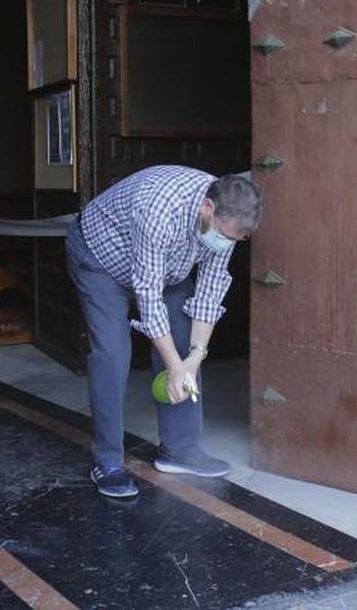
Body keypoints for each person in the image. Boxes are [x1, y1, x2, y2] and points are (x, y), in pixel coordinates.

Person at [65, 165, 262, 498]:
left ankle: (180, 449)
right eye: (224, 236)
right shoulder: (157, 209)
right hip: (100, 257)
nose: (225, 244)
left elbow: (209, 294)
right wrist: (174, 367)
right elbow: (149, 296)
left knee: (184, 341)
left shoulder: (224, 225)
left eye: (234, 240)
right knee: (112, 352)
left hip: (167, 264)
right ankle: (108, 461)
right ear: (207, 208)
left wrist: (193, 360)